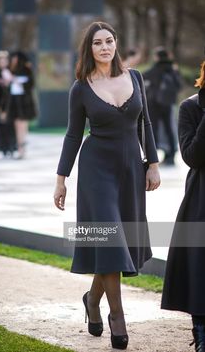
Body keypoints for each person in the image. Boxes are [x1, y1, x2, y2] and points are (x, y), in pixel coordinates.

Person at [54, 21, 160, 350]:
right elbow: (73, 135)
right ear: (89, 49)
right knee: (110, 239)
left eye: (109, 41)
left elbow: (144, 122)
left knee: (118, 243)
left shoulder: (135, 77)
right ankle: (118, 317)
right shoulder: (81, 88)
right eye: (97, 42)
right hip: (96, 170)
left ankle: (92, 300)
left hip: (130, 168)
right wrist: (61, 179)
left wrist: (153, 163)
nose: (104, 47)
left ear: (116, 44)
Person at [161, 60, 205, 351]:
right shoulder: (191, 108)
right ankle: (201, 333)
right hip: (202, 196)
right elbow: (191, 156)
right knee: (200, 265)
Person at [143, 47, 181, 165]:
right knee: (169, 128)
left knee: (153, 129)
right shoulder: (173, 69)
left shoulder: (155, 69)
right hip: (168, 104)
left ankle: (151, 156)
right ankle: (171, 155)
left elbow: (142, 77)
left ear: (157, 57)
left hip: (153, 104)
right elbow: (179, 85)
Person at [7, 51, 36, 159]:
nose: (13, 61)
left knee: (21, 126)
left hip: (24, 103)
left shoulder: (27, 70)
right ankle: (20, 149)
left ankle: (22, 150)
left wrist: (15, 81)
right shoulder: (10, 71)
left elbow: (30, 85)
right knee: (16, 126)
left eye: (15, 59)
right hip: (14, 103)